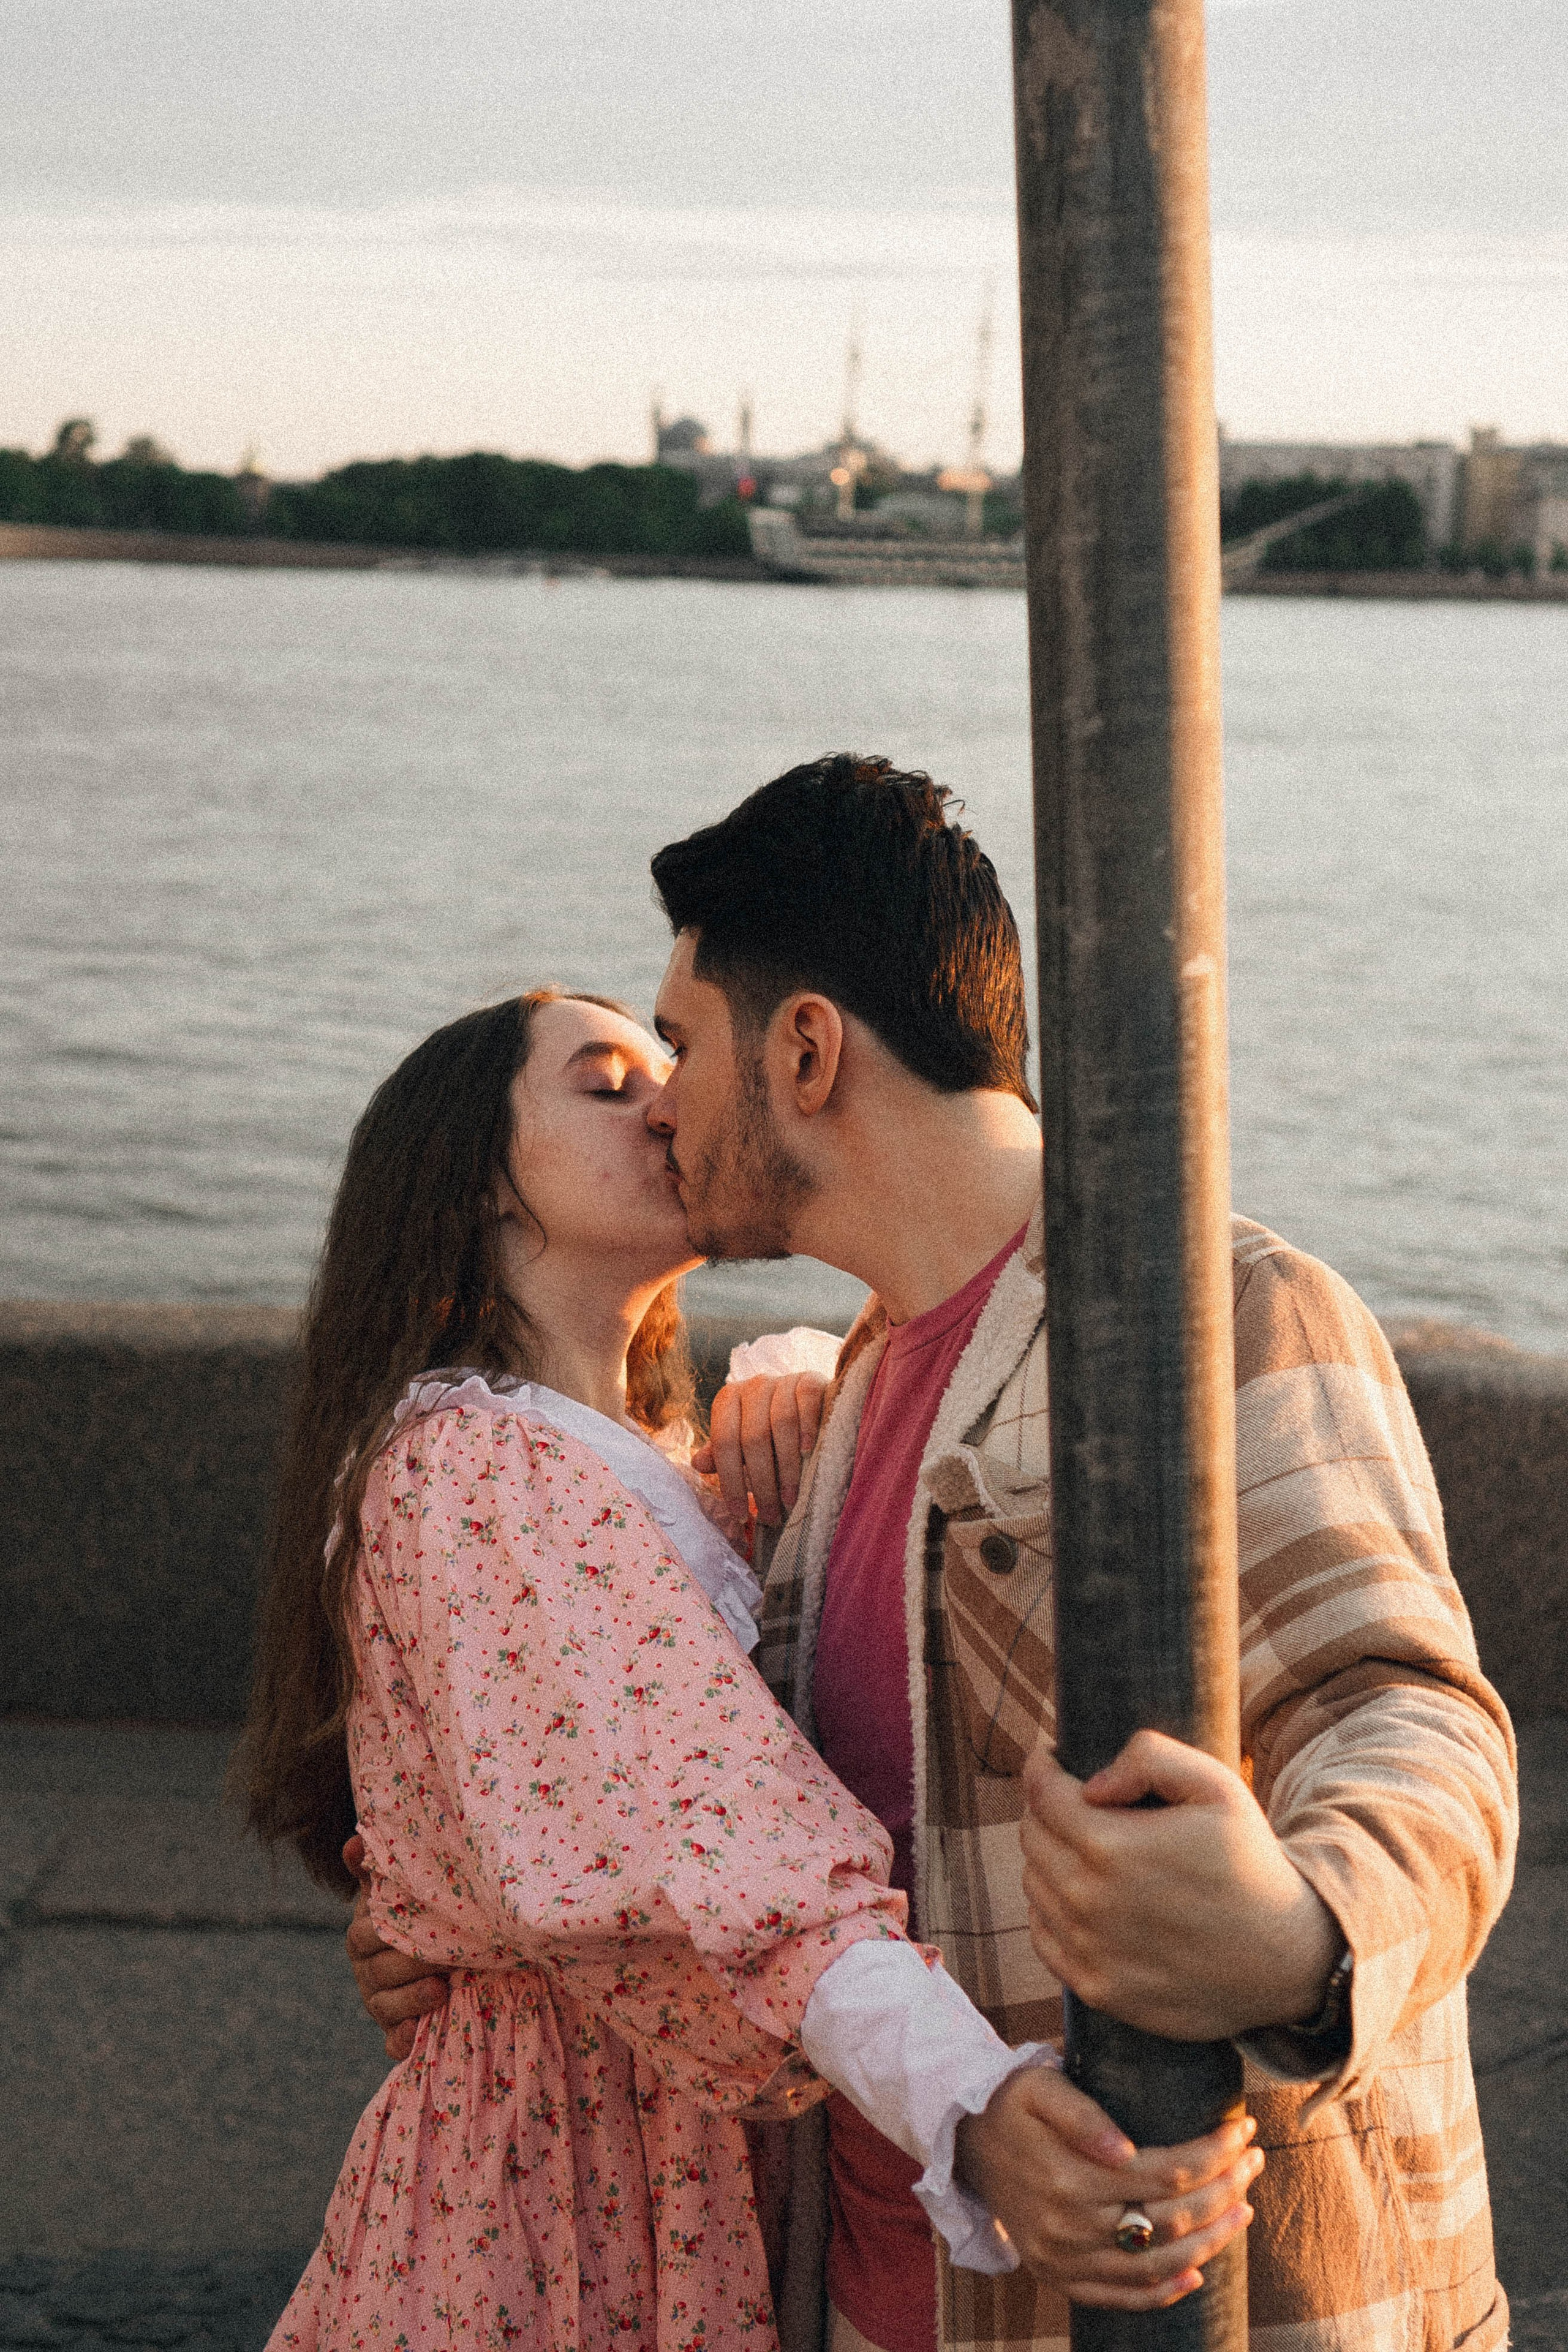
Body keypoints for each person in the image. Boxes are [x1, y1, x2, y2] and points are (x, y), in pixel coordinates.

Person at [353, 759, 1517, 2352]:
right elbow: (694, 1788)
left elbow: (1412, 1717)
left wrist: (1303, 1931)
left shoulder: (1218, 1310)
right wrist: (473, 1929)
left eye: (681, 1044)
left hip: (1214, 2297)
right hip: (887, 2292)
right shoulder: (843, 1398)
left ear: (809, 1050)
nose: (669, 1103)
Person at [240, 983, 1259, 2352]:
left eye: (665, 1063)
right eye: (606, 1085)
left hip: (689, 2163)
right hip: (564, 2190)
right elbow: (718, 1834)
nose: (666, 1099)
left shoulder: (647, 1461)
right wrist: (980, 2107)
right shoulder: (475, 1469)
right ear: (474, 1179)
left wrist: (788, 1381)